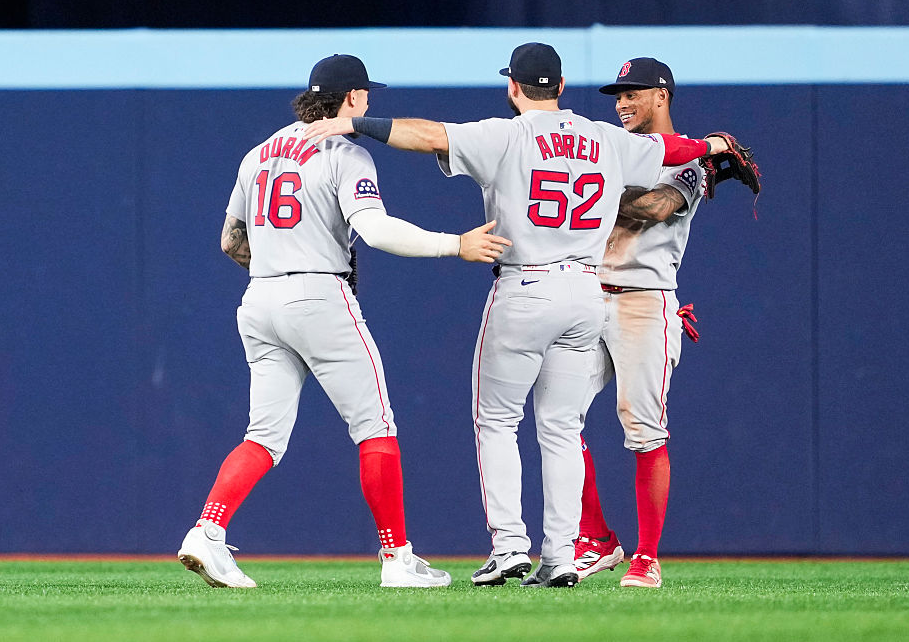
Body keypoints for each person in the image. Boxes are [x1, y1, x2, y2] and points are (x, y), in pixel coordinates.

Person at [305, 43, 731, 588]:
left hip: (525, 286)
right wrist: (713, 144)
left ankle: (509, 548)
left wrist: (360, 123)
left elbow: (431, 135)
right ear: (559, 86)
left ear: (514, 87)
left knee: (499, 421)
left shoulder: (505, 134)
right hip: (585, 293)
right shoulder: (605, 139)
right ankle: (560, 556)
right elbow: (670, 150)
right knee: (562, 426)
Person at [176, 54, 511, 589]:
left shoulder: (258, 153)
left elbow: (230, 242)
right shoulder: (343, 151)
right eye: (366, 93)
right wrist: (457, 244)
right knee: (375, 427)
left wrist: (278, 268)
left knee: (262, 435)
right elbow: (374, 231)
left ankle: (207, 531)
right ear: (351, 98)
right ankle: (397, 558)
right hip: (317, 294)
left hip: (259, 297)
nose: (371, 101)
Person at [572, 58, 707, 588]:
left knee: (643, 427)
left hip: (645, 302)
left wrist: (593, 192)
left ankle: (646, 556)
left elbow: (652, 208)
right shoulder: (613, 152)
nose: (622, 103)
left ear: (662, 95)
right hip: (586, 296)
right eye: (618, 96)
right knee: (557, 418)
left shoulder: (691, 161)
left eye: (633, 93)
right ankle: (598, 538)